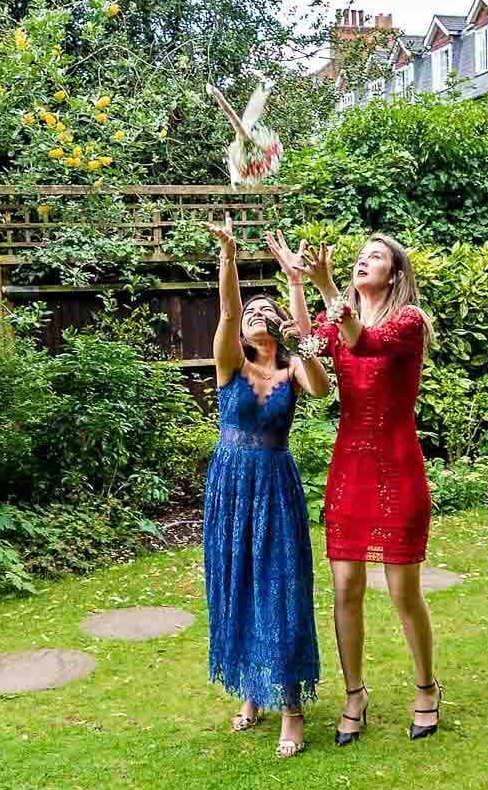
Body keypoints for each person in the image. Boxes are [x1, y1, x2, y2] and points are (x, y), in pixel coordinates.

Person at [300, 235, 440, 743]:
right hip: (349, 469)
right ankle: (354, 692)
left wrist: (325, 286)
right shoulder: (335, 319)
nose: (363, 259)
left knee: (404, 592)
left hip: (399, 468)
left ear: (396, 273)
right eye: (361, 254)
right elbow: (310, 350)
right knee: (344, 589)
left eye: (375, 256)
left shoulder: (408, 322)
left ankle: (427, 686)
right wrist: (299, 283)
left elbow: (366, 341)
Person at [201, 216, 329, 758]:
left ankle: (292, 710)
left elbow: (322, 390)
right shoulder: (229, 365)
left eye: (265, 311)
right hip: (229, 485)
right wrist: (228, 255)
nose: (254, 315)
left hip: (274, 485)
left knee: (280, 585)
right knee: (239, 583)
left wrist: (301, 323)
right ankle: (251, 692)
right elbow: (228, 311)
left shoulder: (295, 367)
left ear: (278, 326)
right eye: (250, 312)